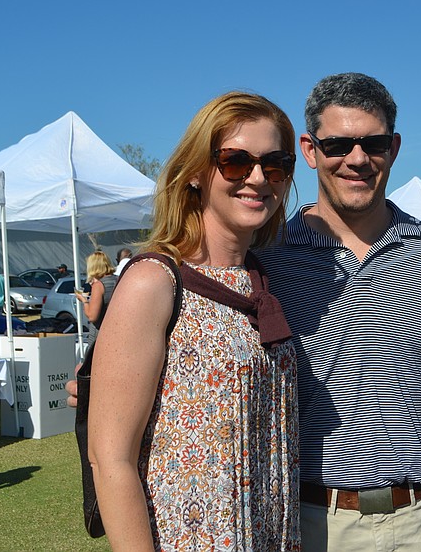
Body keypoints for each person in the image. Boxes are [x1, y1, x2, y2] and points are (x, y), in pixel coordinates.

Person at [257, 73, 421, 551]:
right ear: (309, 151)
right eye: (338, 145)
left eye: (372, 143)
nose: (356, 158)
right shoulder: (267, 258)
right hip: (312, 523)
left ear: (392, 147)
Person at [86, 92, 299, 550]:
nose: (258, 178)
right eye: (236, 161)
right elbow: (109, 459)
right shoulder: (155, 281)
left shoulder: (262, 281)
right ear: (197, 174)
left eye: (275, 163)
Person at [74, 251, 118, 346]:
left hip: (99, 335)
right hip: (117, 331)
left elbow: (92, 316)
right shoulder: (120, 280)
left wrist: (84, 301)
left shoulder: (99, 285)